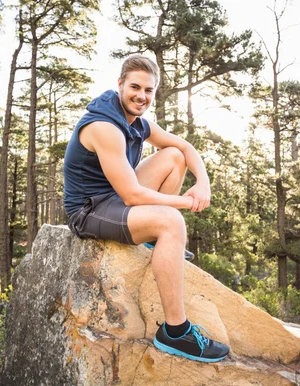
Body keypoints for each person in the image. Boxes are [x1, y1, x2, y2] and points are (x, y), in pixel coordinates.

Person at [63, 54, 229, 363]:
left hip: (115, 195)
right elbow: (133, 195)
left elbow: (185, 148)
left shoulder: (138, 122)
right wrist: (185, 203)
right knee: (172, 222)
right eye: (135, 87)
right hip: (89, 209)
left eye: (149, 90)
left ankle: (153, 238)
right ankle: (175, 333)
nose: (142, 96)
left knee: (174, 157)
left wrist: (202, 183)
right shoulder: (104, 127)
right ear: (120, 85)